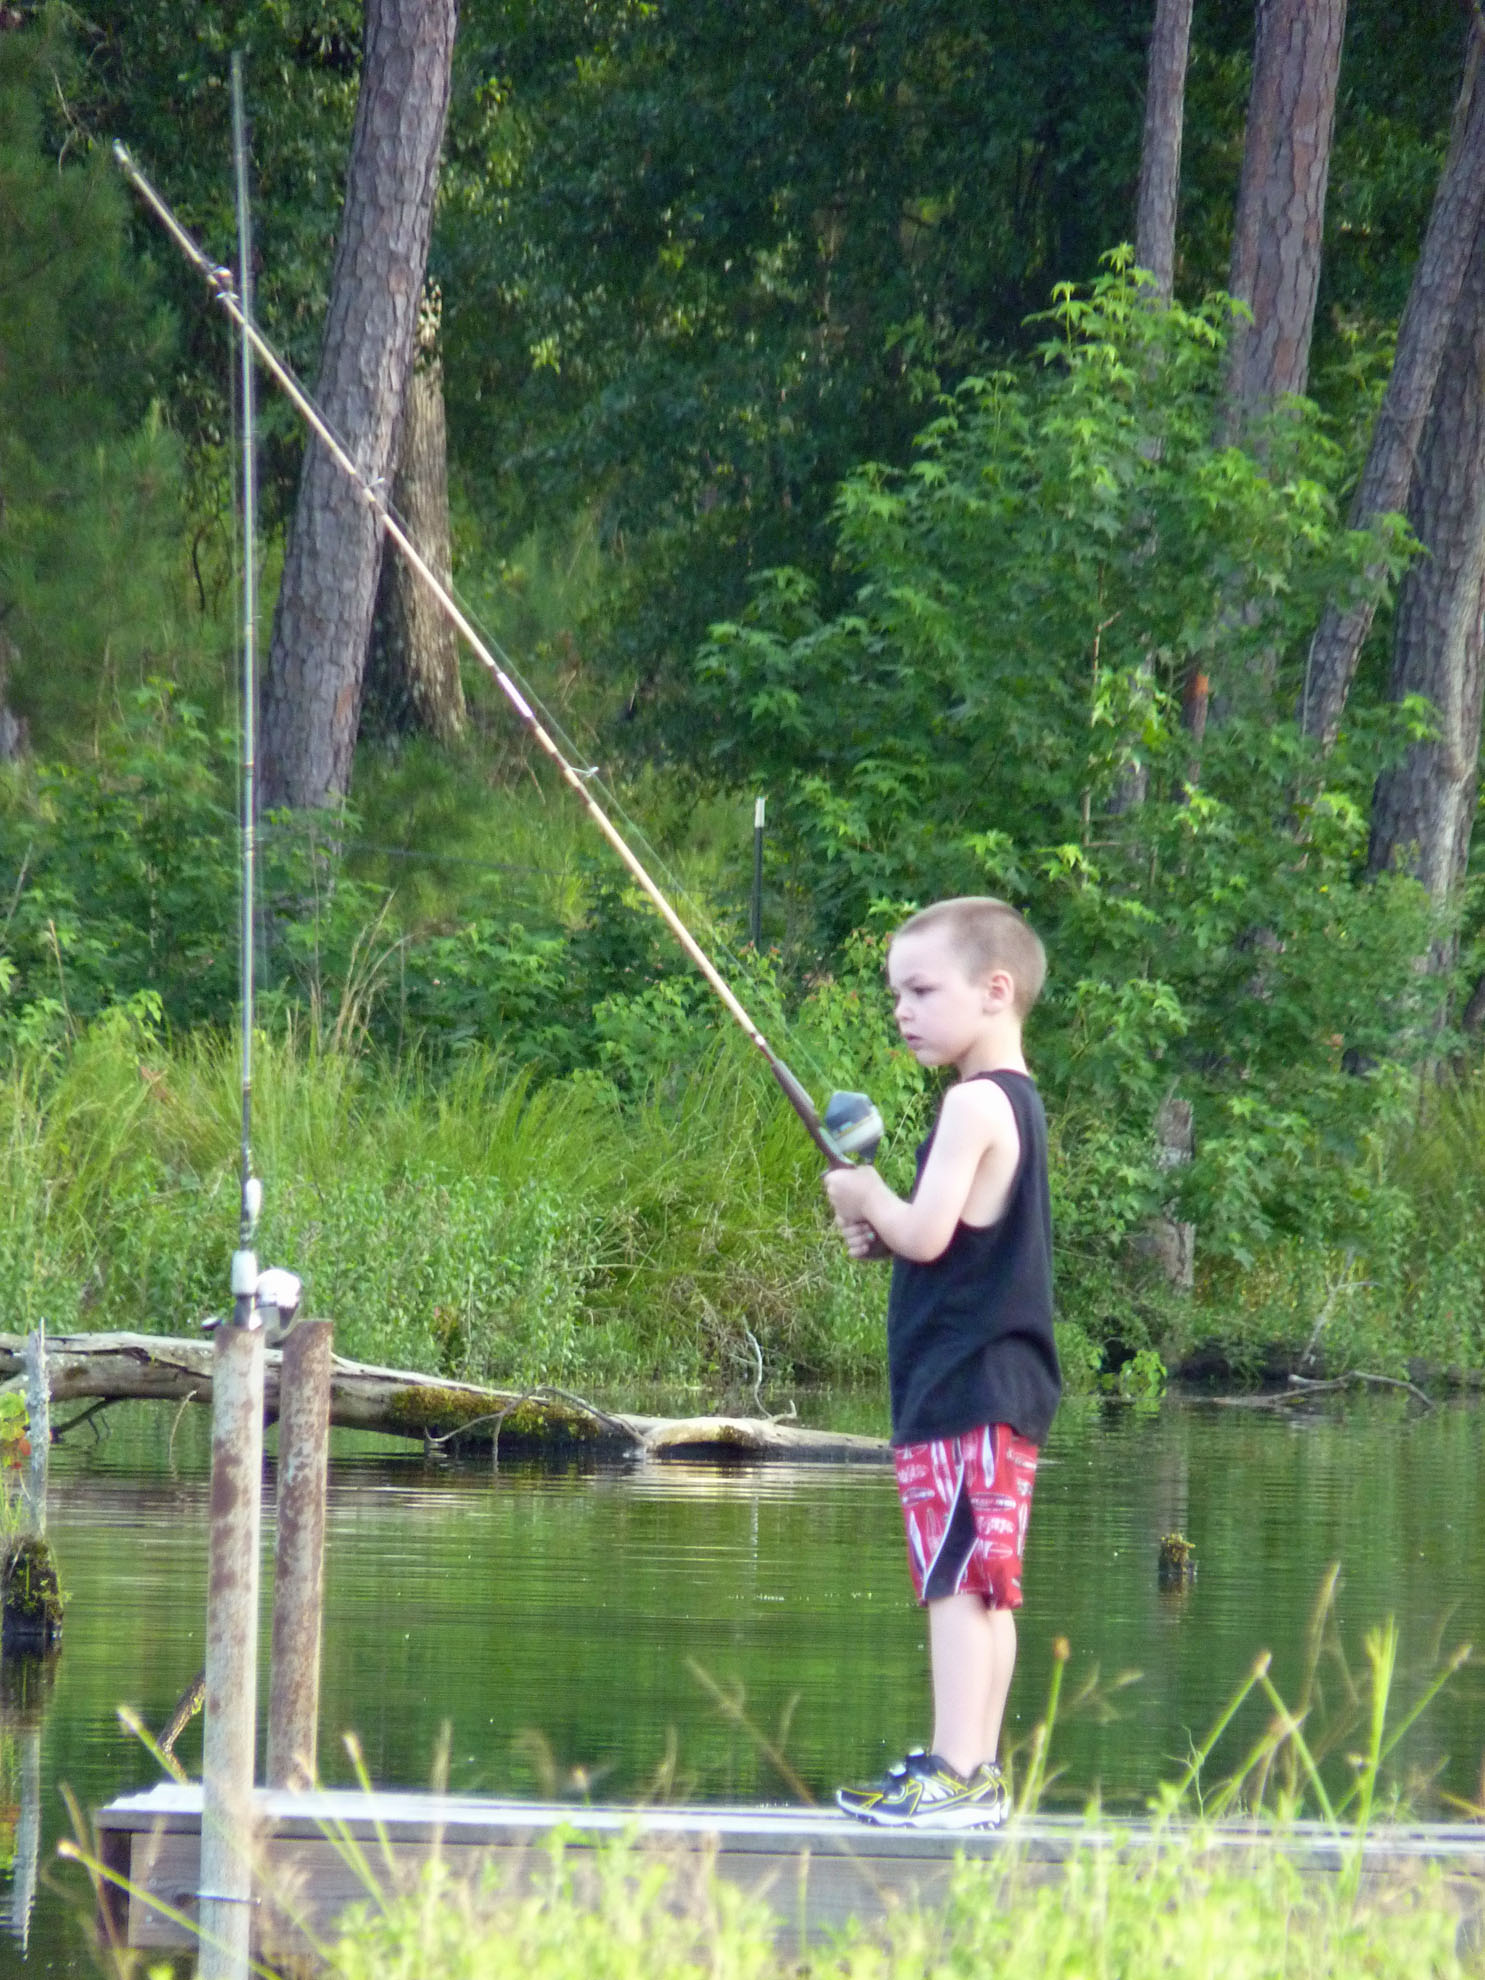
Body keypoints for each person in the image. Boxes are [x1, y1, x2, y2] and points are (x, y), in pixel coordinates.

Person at [823, 896, 1060, 1830]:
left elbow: (922, 1232)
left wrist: (866, 1194)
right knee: (986, 1586)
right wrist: (881, 1225)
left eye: (920, 990)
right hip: (1002, 1386)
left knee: (955, 1582)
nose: (902, 1010)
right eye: (897, 994)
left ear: (994, 990)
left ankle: (955, 1776)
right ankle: (975, 1773)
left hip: (961, 1384)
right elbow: (951, 1238)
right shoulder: (1017, 1102)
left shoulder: (969, 1103)